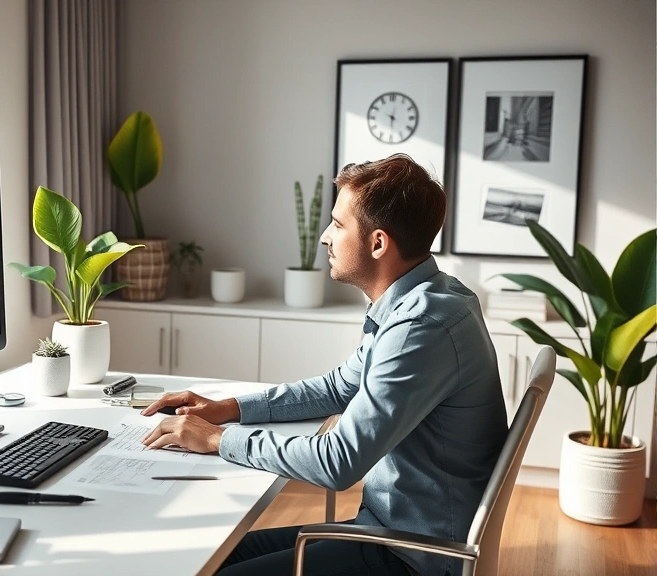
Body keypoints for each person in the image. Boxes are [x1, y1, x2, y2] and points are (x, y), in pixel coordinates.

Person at [140, 154, 507, 576]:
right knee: (208, 555)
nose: (324, 237)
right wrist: (231, 408)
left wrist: (218, 440)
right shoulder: (426, 299)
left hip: (409, 555)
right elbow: (337, 387)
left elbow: (338, 462)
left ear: (378, 243)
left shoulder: (420, 326)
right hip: (391, 530)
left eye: (338, 223)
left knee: (208, 568)